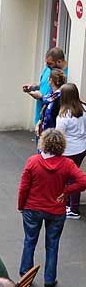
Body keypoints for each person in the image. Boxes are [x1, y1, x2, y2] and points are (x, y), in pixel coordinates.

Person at [18, 128, 86, 287]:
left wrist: (21, 206)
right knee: (52, 244)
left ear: (43, 143)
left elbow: (24, 188)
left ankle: (25, 275)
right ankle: (49, 279)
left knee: (29, 241)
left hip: (33, 208)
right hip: (56, 211)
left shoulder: (33, 161)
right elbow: (83, 181)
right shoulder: (67, 164)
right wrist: (66, 191)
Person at [56, 83, 86, 219]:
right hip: (82, 148)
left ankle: (73, 209)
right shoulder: (84, 109)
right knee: (73, 177)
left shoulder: (63, 116)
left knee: (71, 180)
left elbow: (59, 136)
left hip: (68, 151)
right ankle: (69, 205)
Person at [22, 47, 68, 125]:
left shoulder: (66, 74)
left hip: (51, 121)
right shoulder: (48, 69)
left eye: (50, 63)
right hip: (40, 117)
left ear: (59, 61)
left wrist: (41, 97)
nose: (47, 65)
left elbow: (61, 98)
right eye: (46, 63)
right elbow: (42, 83)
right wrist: (32, 87)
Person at [29, 68, 66, 137]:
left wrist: (41, 97)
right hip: (45, 131)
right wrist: (40, 122)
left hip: (53, 134)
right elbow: (45, 107)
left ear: (50, 80)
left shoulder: (60, 98)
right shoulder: (50, 94)